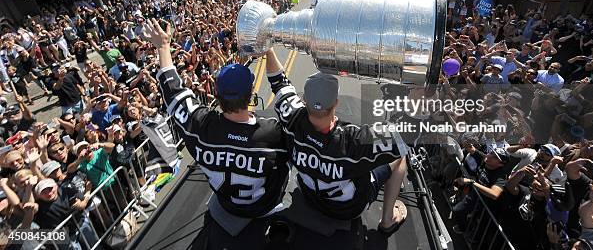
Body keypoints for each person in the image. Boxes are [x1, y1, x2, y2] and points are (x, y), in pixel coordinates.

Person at [142, 18, 290, 248]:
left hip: (226, 206)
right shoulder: (273, 134)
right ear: (251, 93)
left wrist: (162, 46)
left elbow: (172, 91)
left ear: (216, 95)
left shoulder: (201, 125)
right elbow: (287, 97)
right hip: (266, 209)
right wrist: (268, 50)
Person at [265, 48, 408, 237]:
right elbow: (405, 139)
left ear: (304, 100)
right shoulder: (353, 142)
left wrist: (267, 49)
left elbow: (278, 81)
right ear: (336, 103)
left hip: (309, 195)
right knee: (401, 160)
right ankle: (388, 220)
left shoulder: (292, 118)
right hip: (348, 208)